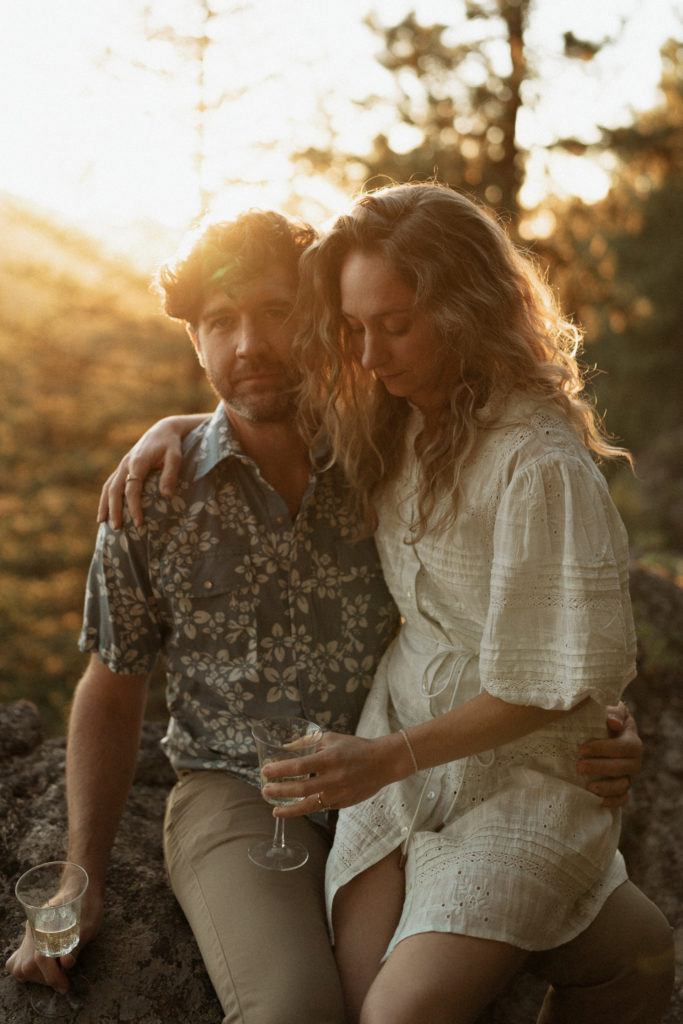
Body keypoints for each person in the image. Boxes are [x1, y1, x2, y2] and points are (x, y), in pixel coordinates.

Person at [4, 204, 654, 1024]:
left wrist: (589, 718)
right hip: (245, 791)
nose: (250, 345)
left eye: (277, 313)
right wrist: (80, 874)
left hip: (415, 765)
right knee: (294, 1012)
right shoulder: (155, 498)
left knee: (641, 950)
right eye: (220, 322)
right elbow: (110, 684)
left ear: (316, 325)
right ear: (193, 341)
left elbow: (498, 603)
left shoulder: (379, 444)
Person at [252, 183, 674, 1024]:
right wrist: (168, 436)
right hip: (400, 720)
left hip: (527, 768)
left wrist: (386, 759)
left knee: (397, 1016)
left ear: (468, 309)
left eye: (396, 324)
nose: (370, 354)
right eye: (354, 327)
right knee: (352, 1000)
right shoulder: (395, 412)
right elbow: (256, 409)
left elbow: (551, 676)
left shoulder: (536, 461)